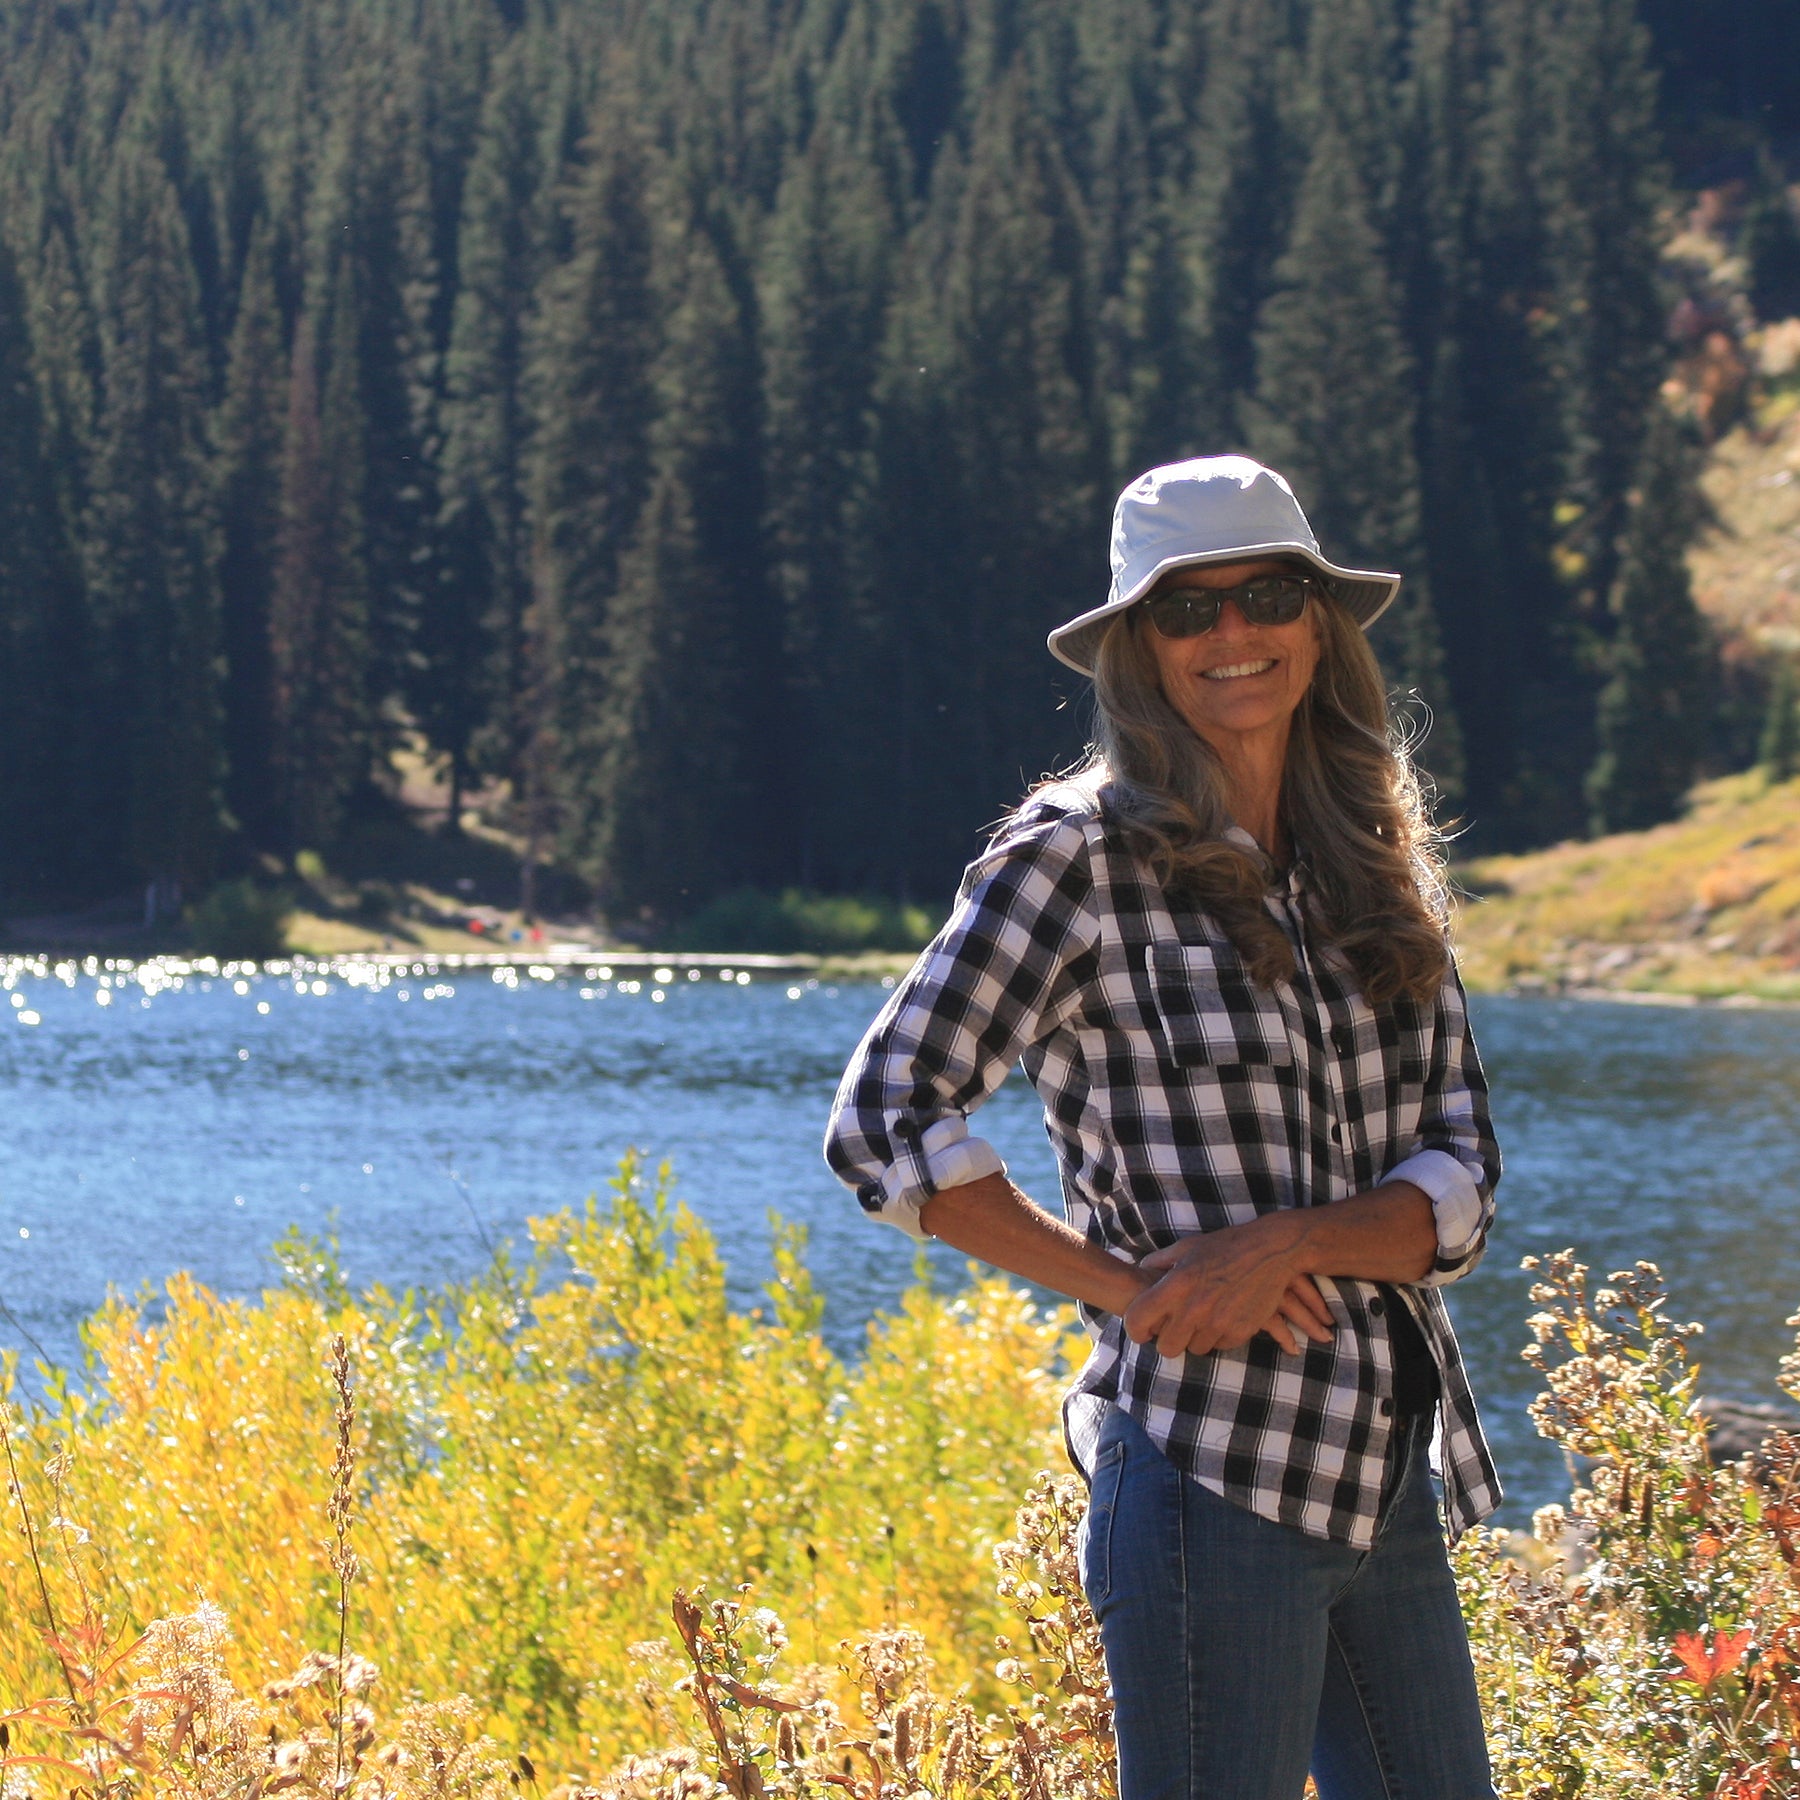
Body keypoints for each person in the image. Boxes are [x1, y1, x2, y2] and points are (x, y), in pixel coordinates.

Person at [824, 455, 1501, 1800]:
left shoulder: (1368, 851)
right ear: (1138, 648)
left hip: (1382, 1467)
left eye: (1264, 594)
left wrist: (1292, 1243)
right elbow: (885, 1121)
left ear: (1317, 621)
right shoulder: (1073, 858)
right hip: (1207, 1476)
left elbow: (1463, 1174)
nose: (1232, 635)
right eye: (1188, 612)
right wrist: (1135, 1290)